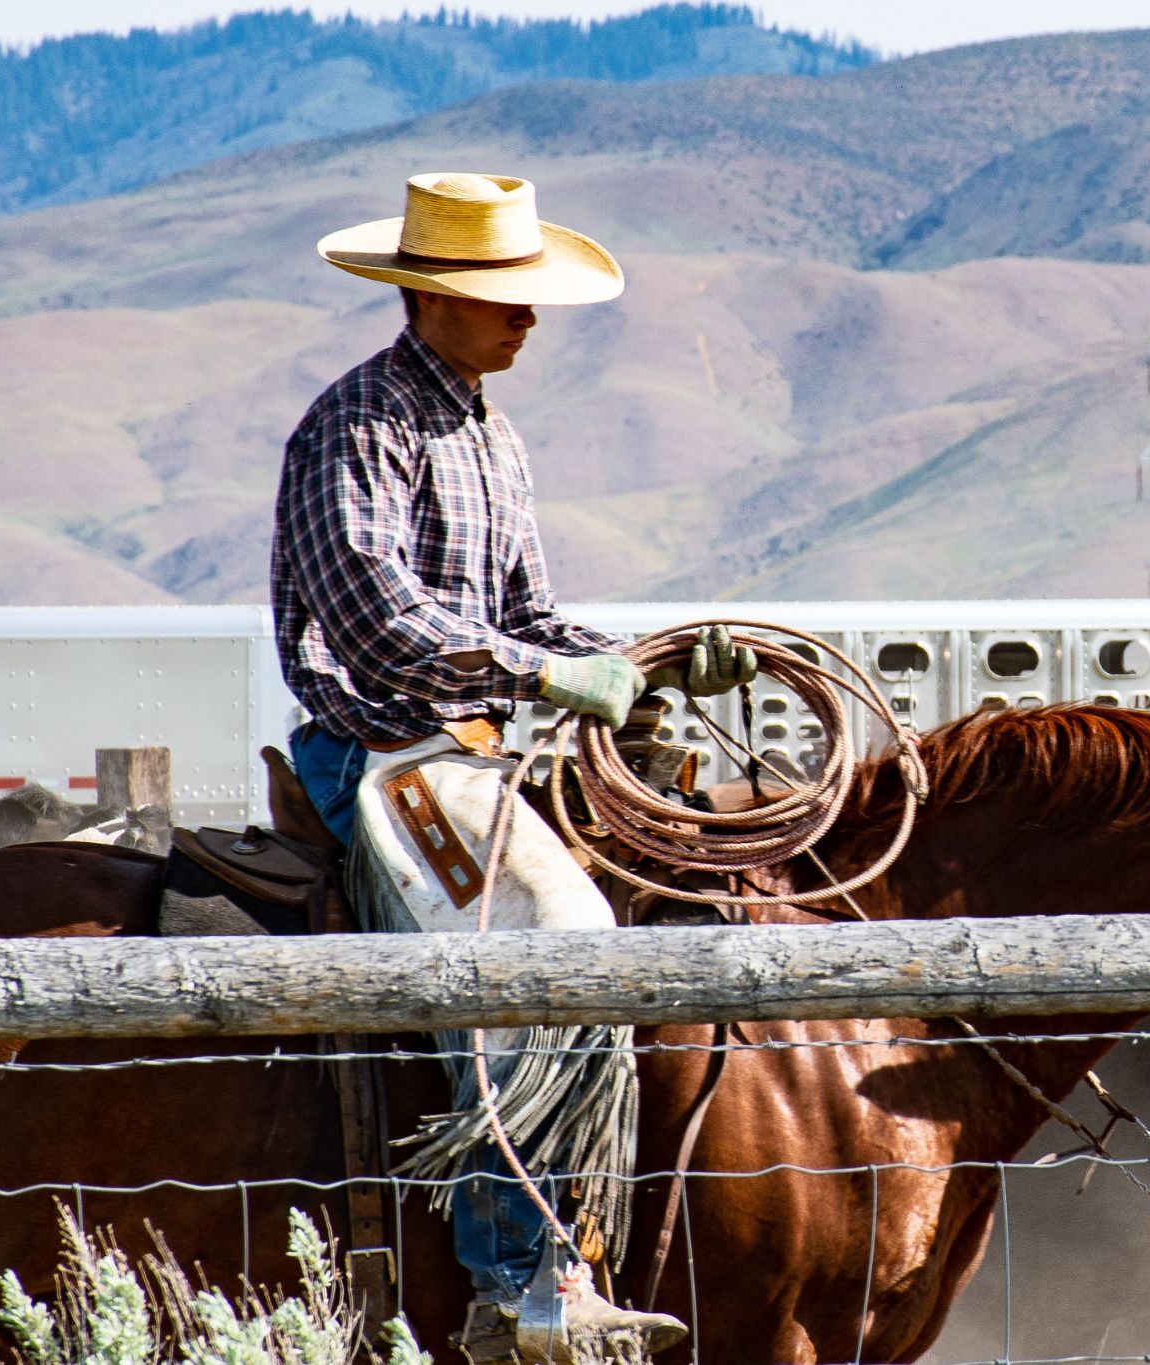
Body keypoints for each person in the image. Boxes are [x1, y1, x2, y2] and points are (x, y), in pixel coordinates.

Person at [273, 171, 749, 1360]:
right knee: (547, 940)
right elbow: (373, 614)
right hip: (385, 751)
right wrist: (543, 680)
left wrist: (648, 660)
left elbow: (530, 613)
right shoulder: (359, 423)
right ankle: (523, 1285)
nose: (526, 317)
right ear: (427, 296)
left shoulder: (490, 434)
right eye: (501, 296)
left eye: (530, 297)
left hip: (481, 747)